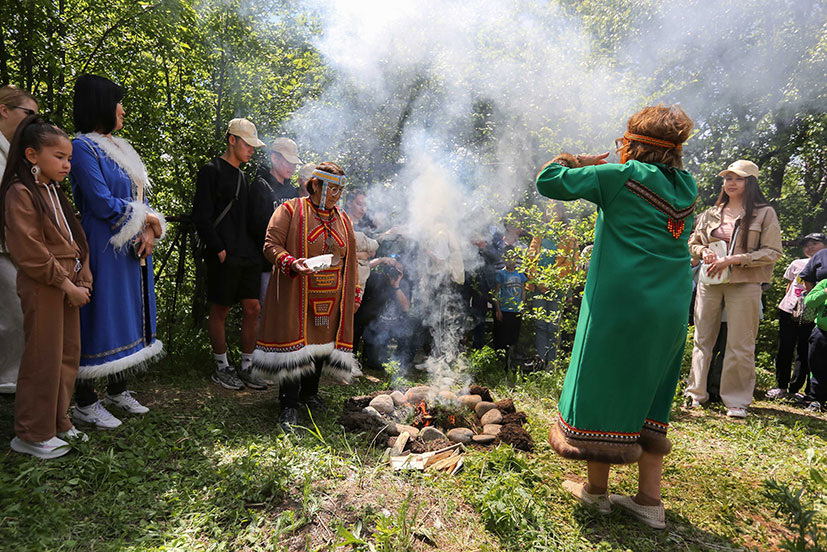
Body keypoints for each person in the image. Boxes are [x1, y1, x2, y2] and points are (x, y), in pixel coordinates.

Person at [539, 105, 696, 530]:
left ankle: (597, 494)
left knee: (602, 386)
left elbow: (548, 182)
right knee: (652, 392)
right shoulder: (688, 186)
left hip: (620, 302)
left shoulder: (618, 176)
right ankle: (649, 502)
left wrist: (577, 161)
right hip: (670, 305)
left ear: (633, 144)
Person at [70, 74, 164, 429]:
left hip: (132, 243)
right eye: (116, 102)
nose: (122, 109)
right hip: (101, 242)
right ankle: (84, 401)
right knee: (100, 314)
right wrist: (147, 220)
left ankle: (117, 389)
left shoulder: (122, 146)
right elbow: (99, 201)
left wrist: (151, 229)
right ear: (100, 106)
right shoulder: (82, 147)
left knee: (127, 312)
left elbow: (140, 197)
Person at [0, 117, 92, 458]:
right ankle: (31, 432)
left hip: (67, 283)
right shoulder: (19, 192)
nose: (67, 164)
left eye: (69, 158)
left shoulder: (54, 192)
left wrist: (83, 277)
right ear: (31, 155)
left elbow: (75, 242)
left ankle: (58, 420)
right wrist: (66, 284)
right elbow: (29, 250)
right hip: (45, 285)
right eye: (59, 157)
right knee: (43, 357)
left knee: (67, 354)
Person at [253, 162, 359, 431]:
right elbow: (270, 245)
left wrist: (354, 291)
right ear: (315, 185)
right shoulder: (290, 209)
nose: (337, 194)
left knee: (321, 344)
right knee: (296, 348)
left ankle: (309, 394)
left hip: (332, 294)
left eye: (340, 189)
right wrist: (289, 262)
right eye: (332, 188)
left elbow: (351, 260)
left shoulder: (343, 219)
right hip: (297, 291)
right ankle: (288, 404)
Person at [685, 159, 782, 418]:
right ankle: (696, 394)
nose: (731, 183)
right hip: (709, 281)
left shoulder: (764, 213)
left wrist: (735, 259)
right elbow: (692, 243)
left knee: (740, 342)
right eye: (728, 178)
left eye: (738, 178)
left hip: (745, 283)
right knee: (702, 339)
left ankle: (736, 401)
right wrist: (704, 250)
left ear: (750, 182)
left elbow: (773, 252)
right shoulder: (710, 213)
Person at [192, 118, 266, 391]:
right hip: (223, 252)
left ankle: (247, 366)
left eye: (253, 146)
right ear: (232, 140)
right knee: (220, 308)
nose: (251, 150)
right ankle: (222, 367)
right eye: (247, 144)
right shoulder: (210, 171)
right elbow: (201, 216)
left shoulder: (243, 177)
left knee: (252, 308)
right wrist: (218, 248)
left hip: (246, 253)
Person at [0, 85, 38, 394]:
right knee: (13, 318)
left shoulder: (15, 151)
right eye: (29, 114)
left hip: (16, 246)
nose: (33, 121)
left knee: (18, 317)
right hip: (2, 246)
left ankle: (13, 384)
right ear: (4, 110)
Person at [766, 233, 827, 400]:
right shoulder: (796, 263)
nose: (810, 247)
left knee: (806, 351)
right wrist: (788, 304)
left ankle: (795, 388)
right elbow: (789, 286)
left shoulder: (824, 264)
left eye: (815, 243)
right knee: (785, 348)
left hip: (814, 311)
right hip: (789, 309)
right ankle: (781, 386)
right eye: (807, 244)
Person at [252, 138, 301, 310]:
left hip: (289, 265)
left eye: (294, 163)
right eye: (288, 161)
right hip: (266, 265)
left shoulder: (292, 191)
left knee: (285, 313)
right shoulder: (260, 186)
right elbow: (256, 227)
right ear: (274, 158)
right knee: (265, 313)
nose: (292, 167)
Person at [798, 244, 827, 412]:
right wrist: (825, 291)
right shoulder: (823, 283)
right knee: (816, 365)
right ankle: (816, 399)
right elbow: (809, 301)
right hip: (821, 332)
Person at [492, 248, 527, 355]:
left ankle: (512, 359)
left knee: (514, 336)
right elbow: (496, 293)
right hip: (504, 309)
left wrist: (522, 306)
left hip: (516, 310)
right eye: (508, 258)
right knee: (503, 336)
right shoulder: (501, 274)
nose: (510, 261)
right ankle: (501, 359)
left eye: (513, 258)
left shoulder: (520, 274)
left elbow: (523, 291)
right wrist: (498, 310)